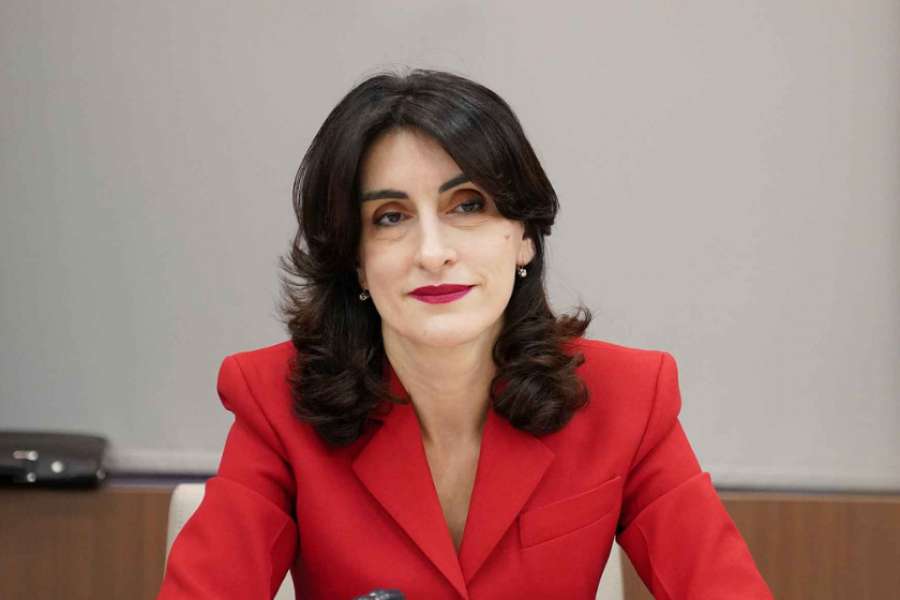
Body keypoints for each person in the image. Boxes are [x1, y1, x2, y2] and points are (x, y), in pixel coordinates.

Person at [157, 69, 773, 599]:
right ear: (355, 261)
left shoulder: (627, 398)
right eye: (390, 217)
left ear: (524, 236)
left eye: (468, 205)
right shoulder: (276, 401)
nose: (433, 252)